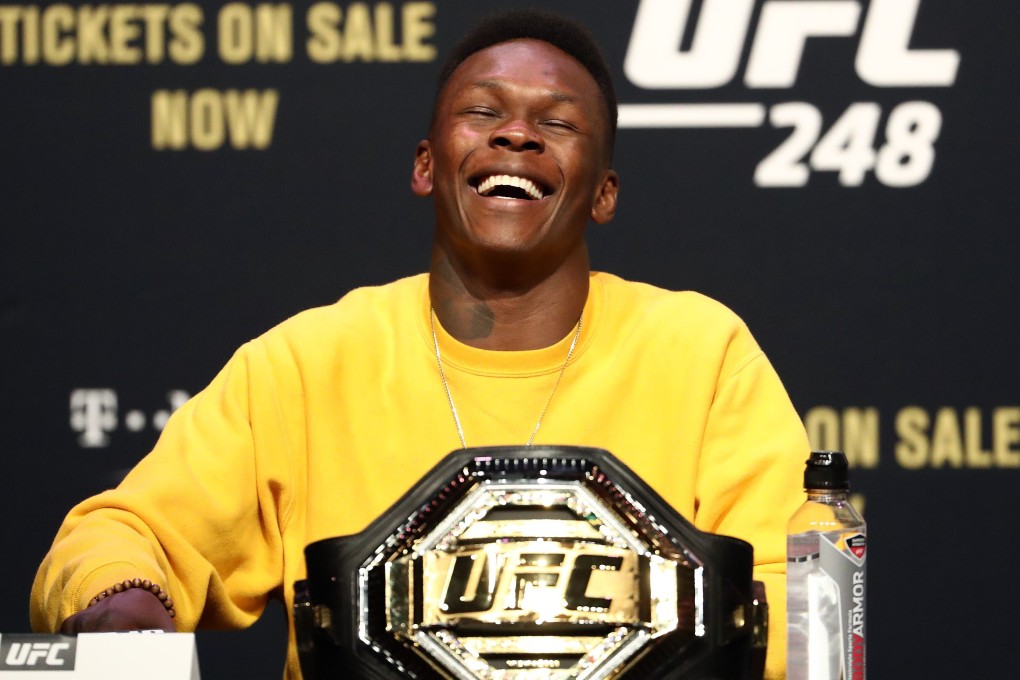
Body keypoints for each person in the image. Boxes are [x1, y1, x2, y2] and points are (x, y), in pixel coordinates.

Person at [31, 9, 808, 680]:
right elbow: (120, 535)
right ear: (425, 165)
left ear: (603, 193)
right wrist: (121, 605)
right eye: (484, 112)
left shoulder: (702, 354)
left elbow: (793, 606)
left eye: (558, 122)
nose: (517, 134)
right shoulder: (306, 365)